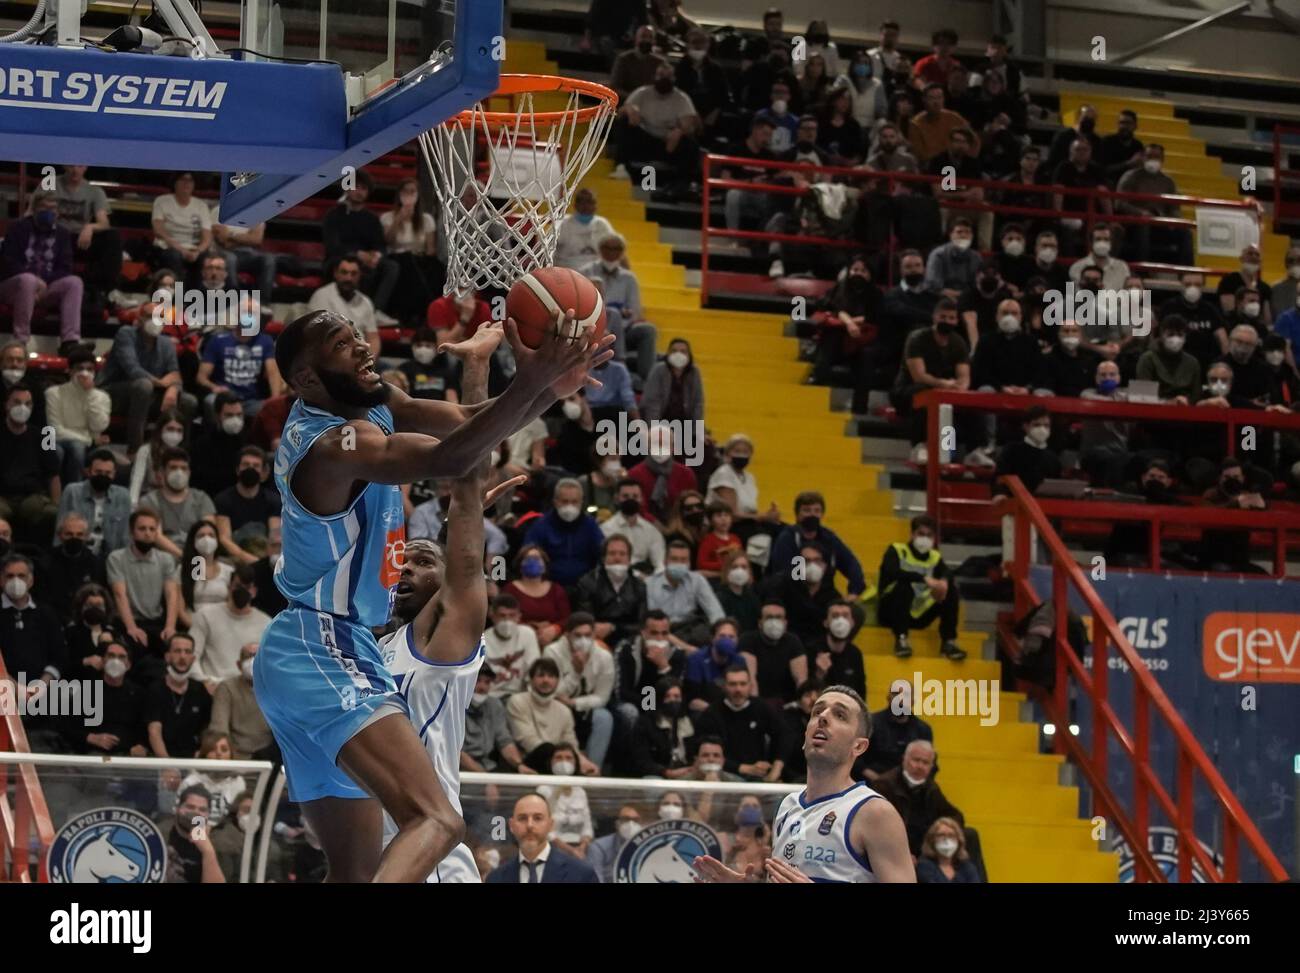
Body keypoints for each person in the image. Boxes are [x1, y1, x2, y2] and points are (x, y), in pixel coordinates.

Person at [254, 305, 611, 883]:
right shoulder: (331, 444)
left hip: (309, 651)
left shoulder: (366, 401)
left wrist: (548, 387)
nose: (364, 349)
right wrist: (534, 378)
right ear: (306, 381)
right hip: (320, 643)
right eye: (344, 347)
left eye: (358, 337)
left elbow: (464, 419)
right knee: (437, 821)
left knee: (354, 870)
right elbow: (450, 457)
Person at [375, 333, 526, 880]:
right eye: (403, 562)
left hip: (432, 859)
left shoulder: (447, 637)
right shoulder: (374, 641)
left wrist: (477, 368)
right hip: (372, 846)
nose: (407, 569)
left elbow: (465, 481)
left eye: (423, 562)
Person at [694, 685, 915, 883]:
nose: (823, 717)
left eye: (840, 715)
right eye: (817, 711)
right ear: (805, 735)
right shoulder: (787, 806)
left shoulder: (875, 812)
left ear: (859, 747)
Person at [99, 301, 197, 453]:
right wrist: (162, 383)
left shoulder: (167, 343)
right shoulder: (126, 333)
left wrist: (173, 389)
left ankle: (178, 454)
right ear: (140, 318)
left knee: (189, 401)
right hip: (115, 393)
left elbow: (175, 374)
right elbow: (133, 370)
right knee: (144, 385)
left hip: (149, 394)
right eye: (150, 316)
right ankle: (135, 450)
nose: (155, 320)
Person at [0, 554, 68, 752]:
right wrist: (15, 687)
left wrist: (38, 688)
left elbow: (59, 656)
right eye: (10, 575)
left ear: (31, 579)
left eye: (21, 575)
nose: (16, 581)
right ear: (1, 579)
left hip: (41, 701)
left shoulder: (46, 613)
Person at [874, 740, 978, 867]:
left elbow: (954, 814)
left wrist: (944, 828)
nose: (920, 766)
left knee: (970, 835)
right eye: (916, 760)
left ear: (931, 766)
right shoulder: (884, 785)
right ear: (904, 760)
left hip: (926, 841)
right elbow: (880, 828)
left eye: (925, 762)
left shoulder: (930, 787)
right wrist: (904, 853)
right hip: (899, 842)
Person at [876, 514, 965, 660]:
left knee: (950, 590)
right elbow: (892, 571)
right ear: (912, 534)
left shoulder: (934, 557)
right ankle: (901, 641)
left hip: (916, 614)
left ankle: (949, 643)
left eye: (929, 535)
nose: (925, 539)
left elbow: (947, 572)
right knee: (904, 586)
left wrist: (943, 581)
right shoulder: (896, 550)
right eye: (921, 534)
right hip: (890, 612)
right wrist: (923, 578)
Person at [544, 612, 616, 770]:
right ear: (567, 635)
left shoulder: (604, 657)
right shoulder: (552, 652)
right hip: (557, 705)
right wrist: (576, 673)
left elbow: (602, 697)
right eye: (577, 635)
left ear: (594, 635)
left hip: (585, 706)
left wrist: (574, 702)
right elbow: (552, 690)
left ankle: (592, 769)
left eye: (587, 635)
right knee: (559, 711)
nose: (583, 640)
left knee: (604, 717)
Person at [322, 170, 398, 318]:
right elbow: (333, 246)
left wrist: (377, 256)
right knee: (350, 265)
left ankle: (375, 312)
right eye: (356, 187)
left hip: (366, 260)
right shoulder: (333, 215)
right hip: (339, 258)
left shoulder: (372, 219)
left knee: (392, 267)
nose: (359, 192)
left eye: (364, 188)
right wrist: (358, 254)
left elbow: (380, 245)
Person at [615, 62, 702, 191]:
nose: (664, 79)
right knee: (623, 123)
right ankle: (621, 166)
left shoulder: (682, 98)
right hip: (644, 140)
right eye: (661, 75)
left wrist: (680, 131)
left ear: (674, 79)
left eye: (668, 76)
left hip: (667, 143)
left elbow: (690, 124)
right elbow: (619, 113)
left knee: (691, 145)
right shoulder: (642, 92)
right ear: (654, 76)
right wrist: (629, 109)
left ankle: (682, 182)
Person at [107, 507, 179, 659]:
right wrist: (131, 627)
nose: (147, 533)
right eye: (142, 529)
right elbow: (120, 595)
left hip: (157, 621)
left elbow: (172, 594)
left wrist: (170, 626)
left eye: (152, 529)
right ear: (132, 532)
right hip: (128, 621)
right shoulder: (116, 558)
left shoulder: (168, 559)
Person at [766, 490, 866, 597]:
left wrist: (854, 592)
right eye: (807, 510)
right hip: (793, 594)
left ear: (822, 514)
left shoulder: (829, 538)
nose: (812, 515)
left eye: (817, 511)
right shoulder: (787, 538)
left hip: (825, 592)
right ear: (797, 514)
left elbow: (851, 564)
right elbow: (782, 573)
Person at [695, 665, 785, 781]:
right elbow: (705, 753)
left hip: (758, 775)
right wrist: (744, 768)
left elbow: (783, 736)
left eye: (743, 684)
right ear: (724, 686)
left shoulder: (761, 708)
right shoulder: (711, 714)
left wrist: (776, 769)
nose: (738, 689)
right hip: (723, 775)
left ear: (750, 686)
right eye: (733, 684)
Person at [484, 793, 598, 883]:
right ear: (512, 826)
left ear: (551, 825)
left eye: (537, 818)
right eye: (522, 818)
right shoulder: (495, 879)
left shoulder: (582, 875)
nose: (529, 825)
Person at [191, 564, 271, 688]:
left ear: (254, 591)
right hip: (214, 688)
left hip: (250, 692)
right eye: (238, 586)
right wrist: (204, 681)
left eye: (247, 587)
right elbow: (191, 656)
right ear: (229, 588)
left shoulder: (266, 623)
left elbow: (270, 664)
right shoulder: (205, 615)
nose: (242, 591)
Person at [522, 478, 606, 587]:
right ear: (555, 502)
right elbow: (528, 553)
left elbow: (602, 553)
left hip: (585, 587)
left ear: (581, 502)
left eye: (574, 502)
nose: (569, 506)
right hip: (548, 586)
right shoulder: (541, 525)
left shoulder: (590, 525)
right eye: (565, 501)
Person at [55, 164, 121, 301]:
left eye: (79, 166)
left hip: (80, 240)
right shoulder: (51, 185)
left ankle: (106, 290)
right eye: (71, 166)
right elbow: (35, 211)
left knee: (113, 236)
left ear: (85, 167)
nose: (75, 170)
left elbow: (104, 223)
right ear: (64, 166)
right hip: (56, 237)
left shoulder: (94, 191)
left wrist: (89, 227)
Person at [46, 348, 111, 484]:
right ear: (70, 371)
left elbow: (99, 426)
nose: (85, 373)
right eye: (80, 368)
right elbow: (53, 429)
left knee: (77, 448)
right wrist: (90, 439)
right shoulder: (53, 393)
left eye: (90, 369)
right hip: (49, 438)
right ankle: (50, 493)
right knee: (55, 450)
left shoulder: (102, 397)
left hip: (82, 443)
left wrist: (90, 395)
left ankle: (74, 492)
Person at [75, 638, 147, 756]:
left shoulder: (139, 694)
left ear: (128, 665)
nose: (116, 661)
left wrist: (141, 746)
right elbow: (66, 726)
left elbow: (145, 728)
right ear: (103, 661)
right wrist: (90, 737)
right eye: (111, 655)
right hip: (94, 756)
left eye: (121, 657)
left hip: (128, 756)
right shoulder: (86, 690)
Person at [572, 534, 647, 645]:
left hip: (630, 640)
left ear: (629, 559)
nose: (617, 558)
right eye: (612, 553)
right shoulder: (587, 582)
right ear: (603, 558)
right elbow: (584, 620)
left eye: (622, 554)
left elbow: (642, 624)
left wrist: (613, 628)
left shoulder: (639, 585)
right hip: (595, 638)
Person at [146, 634, 211, 758]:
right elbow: (154, 731)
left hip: (193, 758)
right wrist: (167, 765)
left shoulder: (199, 689)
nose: (182, 656)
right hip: (162, 758)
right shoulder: (156, 689)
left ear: (193, 658)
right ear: (167, 656)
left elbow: (207, 728)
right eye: (177, 651)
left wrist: (202, 753)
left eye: (187, 652)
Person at [647, 539, 725, 643]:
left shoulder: (697, 580)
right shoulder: (650, 583)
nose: (679, 564)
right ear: (665, 562)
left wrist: (721, 633)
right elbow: (651, 621)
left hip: (689, 632)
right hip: (660, 634)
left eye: (683, 560)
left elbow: (715, 612)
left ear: (689, 563)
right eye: (674, 559)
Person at [55, 448, 129, 557]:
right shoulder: (72, 491)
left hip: (110, 558)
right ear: (88, 472)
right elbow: (60, 531)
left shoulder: (123, 496)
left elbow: (125, 537)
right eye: (98, 472)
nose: (102, 476)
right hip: (78, 555)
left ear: (114, 474)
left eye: (108, 473)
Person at [462, 664, 532, 774]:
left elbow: (504, 740)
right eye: (477, 680)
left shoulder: (494, 705)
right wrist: (485, 779)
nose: (482, 687)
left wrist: (519, 765)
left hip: (487, 765)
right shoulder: (452, 705)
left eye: (487, 682)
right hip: (457, 768)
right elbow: (454, 752)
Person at [308, 255, 381, 359]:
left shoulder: (366, 302)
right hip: (332, 358)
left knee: (394, 372)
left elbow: (373, 337)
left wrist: (370, 359)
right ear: (335, 273)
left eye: (353, 274)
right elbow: (319, 338)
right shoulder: (321, 296)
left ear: (360, 275)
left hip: (360, 359)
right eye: (344, 272)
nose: (348, 278)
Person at [209, 643, 273, 760]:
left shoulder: (277, 690)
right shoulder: (227, 688)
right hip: (235, 756)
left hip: (268, 757)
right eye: (249, 656)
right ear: (239, 665)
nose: (254, 660)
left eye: (258, 656)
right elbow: (219, 728)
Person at [863, 681, 934, 782]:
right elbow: (856, 760)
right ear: (888, 697)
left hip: (909, 788)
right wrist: (878, 781)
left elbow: (931, 765)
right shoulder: (871, 724)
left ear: (913, 701)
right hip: (872, 784)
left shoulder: (923, 730)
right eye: (896, 694)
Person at [628, 675, 698, 778]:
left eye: (676, 696)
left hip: (687, 772)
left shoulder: (690, 721)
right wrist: (667, 772)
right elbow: (641, 761)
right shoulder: (645, 723)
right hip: (658, 774)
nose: (672, 700)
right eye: (667, 697)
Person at [40, 515, 107, 619]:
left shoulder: (95, 563)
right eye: (69, 534)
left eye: (80, 534)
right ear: (59, 535)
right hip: (52, 616)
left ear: (86, 536)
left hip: (84, 617)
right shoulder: (46, 560)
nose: (74, 538)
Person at [739, 601, 806, 704]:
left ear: (785, 623)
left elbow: (801, 680)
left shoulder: (793, 641)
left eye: (778, 617)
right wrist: (756, 707)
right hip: (760, 701)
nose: (774, 622)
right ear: (760, 623)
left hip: (787, 703)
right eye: (769, 617)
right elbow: (750, 679)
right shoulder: (748, 640)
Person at [151, 172, 213, 283]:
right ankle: (179, 297)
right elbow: (158, 230)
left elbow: (207, 238)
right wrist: (181, 250)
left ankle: (198, 298)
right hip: (168, 247)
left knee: (206, 260)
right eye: (183, 179)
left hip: (194, 248)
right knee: (174, 257)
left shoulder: (201, 205)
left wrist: (198, 251)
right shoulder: (162, 201)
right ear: (175, 183)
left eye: (190, 180)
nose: (187, 183)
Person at [994, 405, 1063, 494]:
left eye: (1046, 425)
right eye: (1037, 425)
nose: (1042, 429)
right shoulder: (1012, 450)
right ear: (1026, 426)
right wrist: (999, 494)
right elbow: (1000, 478)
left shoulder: (1053, 458)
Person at [164, 785, 226, 884]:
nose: (196, 812)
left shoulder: (218, 843)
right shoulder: (161, 833)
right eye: (190, 807)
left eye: (202, 810)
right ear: (178, 809)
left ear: (208, 815)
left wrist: (208, 851)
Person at [483, 593, 541, 697]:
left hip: (521, 695)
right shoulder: (482, 641)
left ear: (519, 616)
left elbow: (533, 669)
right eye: (502, 616)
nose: (507, 621)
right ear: (492, 616)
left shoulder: (527, 634)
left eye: (512, 615)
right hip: (493, 695)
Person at [555, 188, 618, 271]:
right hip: (567, 270)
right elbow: (545, 251)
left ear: (596, 205)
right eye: (581, 202)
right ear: (575, 205)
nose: (585, 206)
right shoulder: (563, 223)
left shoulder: (602, 224)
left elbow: (617, 250)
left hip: (596, 272)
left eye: (589, 202)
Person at [609, 24, 669, 103]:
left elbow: (664, 88)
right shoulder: (623, 59)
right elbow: (615, 87)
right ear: (636, 39)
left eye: (650, 37)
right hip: (627, 103)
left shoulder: (660, 62)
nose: (647, 40)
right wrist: (636, 98)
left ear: (654, 41)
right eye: (643, 36)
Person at [585, 804, 643, 882]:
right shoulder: (598, 847)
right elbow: (595, 879)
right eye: (626, 819)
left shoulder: (649, 846)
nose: (631, 824)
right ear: (617, 823)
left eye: (636, 820)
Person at [916, 816, 982, 883]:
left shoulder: (967, 867)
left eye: (951, 835)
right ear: (932, 839)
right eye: (941, 835)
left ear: (959, 840)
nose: (946, 839)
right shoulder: (924, 866)